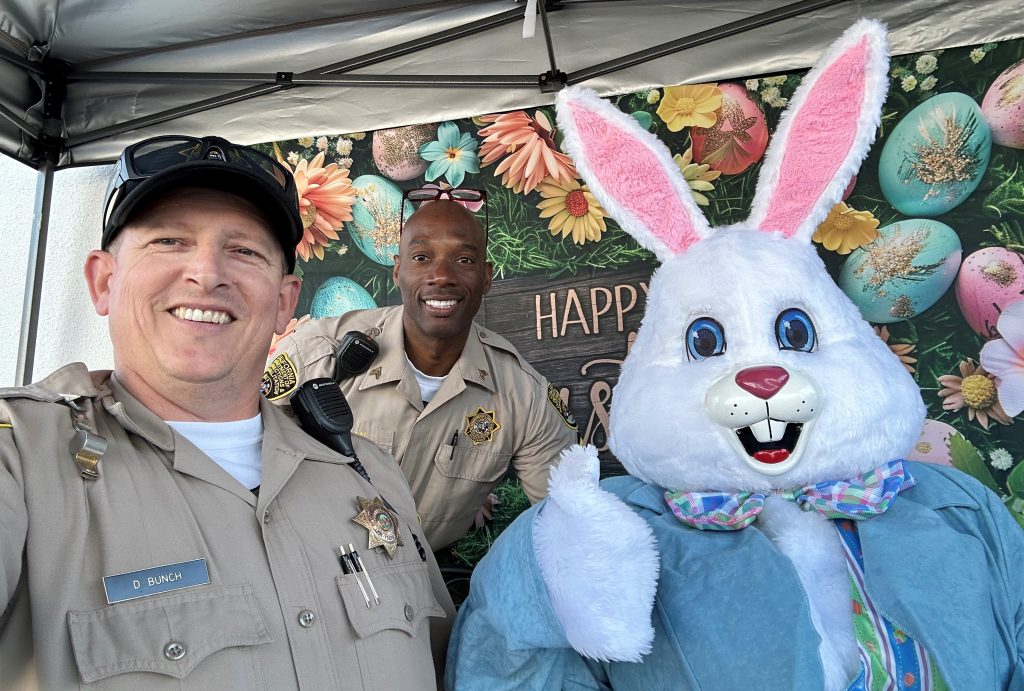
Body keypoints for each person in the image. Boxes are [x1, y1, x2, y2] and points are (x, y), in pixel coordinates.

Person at [0, 136, 454, 690]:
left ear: (286, 300)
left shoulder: (370, 474)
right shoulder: (22, 460)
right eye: (169, 240)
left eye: (244, 251)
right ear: (103, 281)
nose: (207, 272)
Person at [267, 193, 579, 550]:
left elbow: (569, 525)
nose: (441, 276)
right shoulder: (320, 354)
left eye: (463, 259)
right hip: (306, 565)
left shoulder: (525, 398)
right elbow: (245, 468)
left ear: (486, 277)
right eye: (421, 257)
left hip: (421, 585)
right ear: (398, 270)